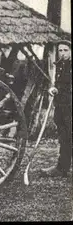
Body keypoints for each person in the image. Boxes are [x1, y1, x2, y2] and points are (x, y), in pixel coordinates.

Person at [41, 40, 72, 177]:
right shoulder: (60, 65)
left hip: (70, 106)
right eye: (60, 50)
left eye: (66, 50)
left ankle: (62, 167)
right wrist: (53, 89)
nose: (63, 53)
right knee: (64, 138)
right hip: (61, 106)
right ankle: (62, 168)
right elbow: (59, 85)